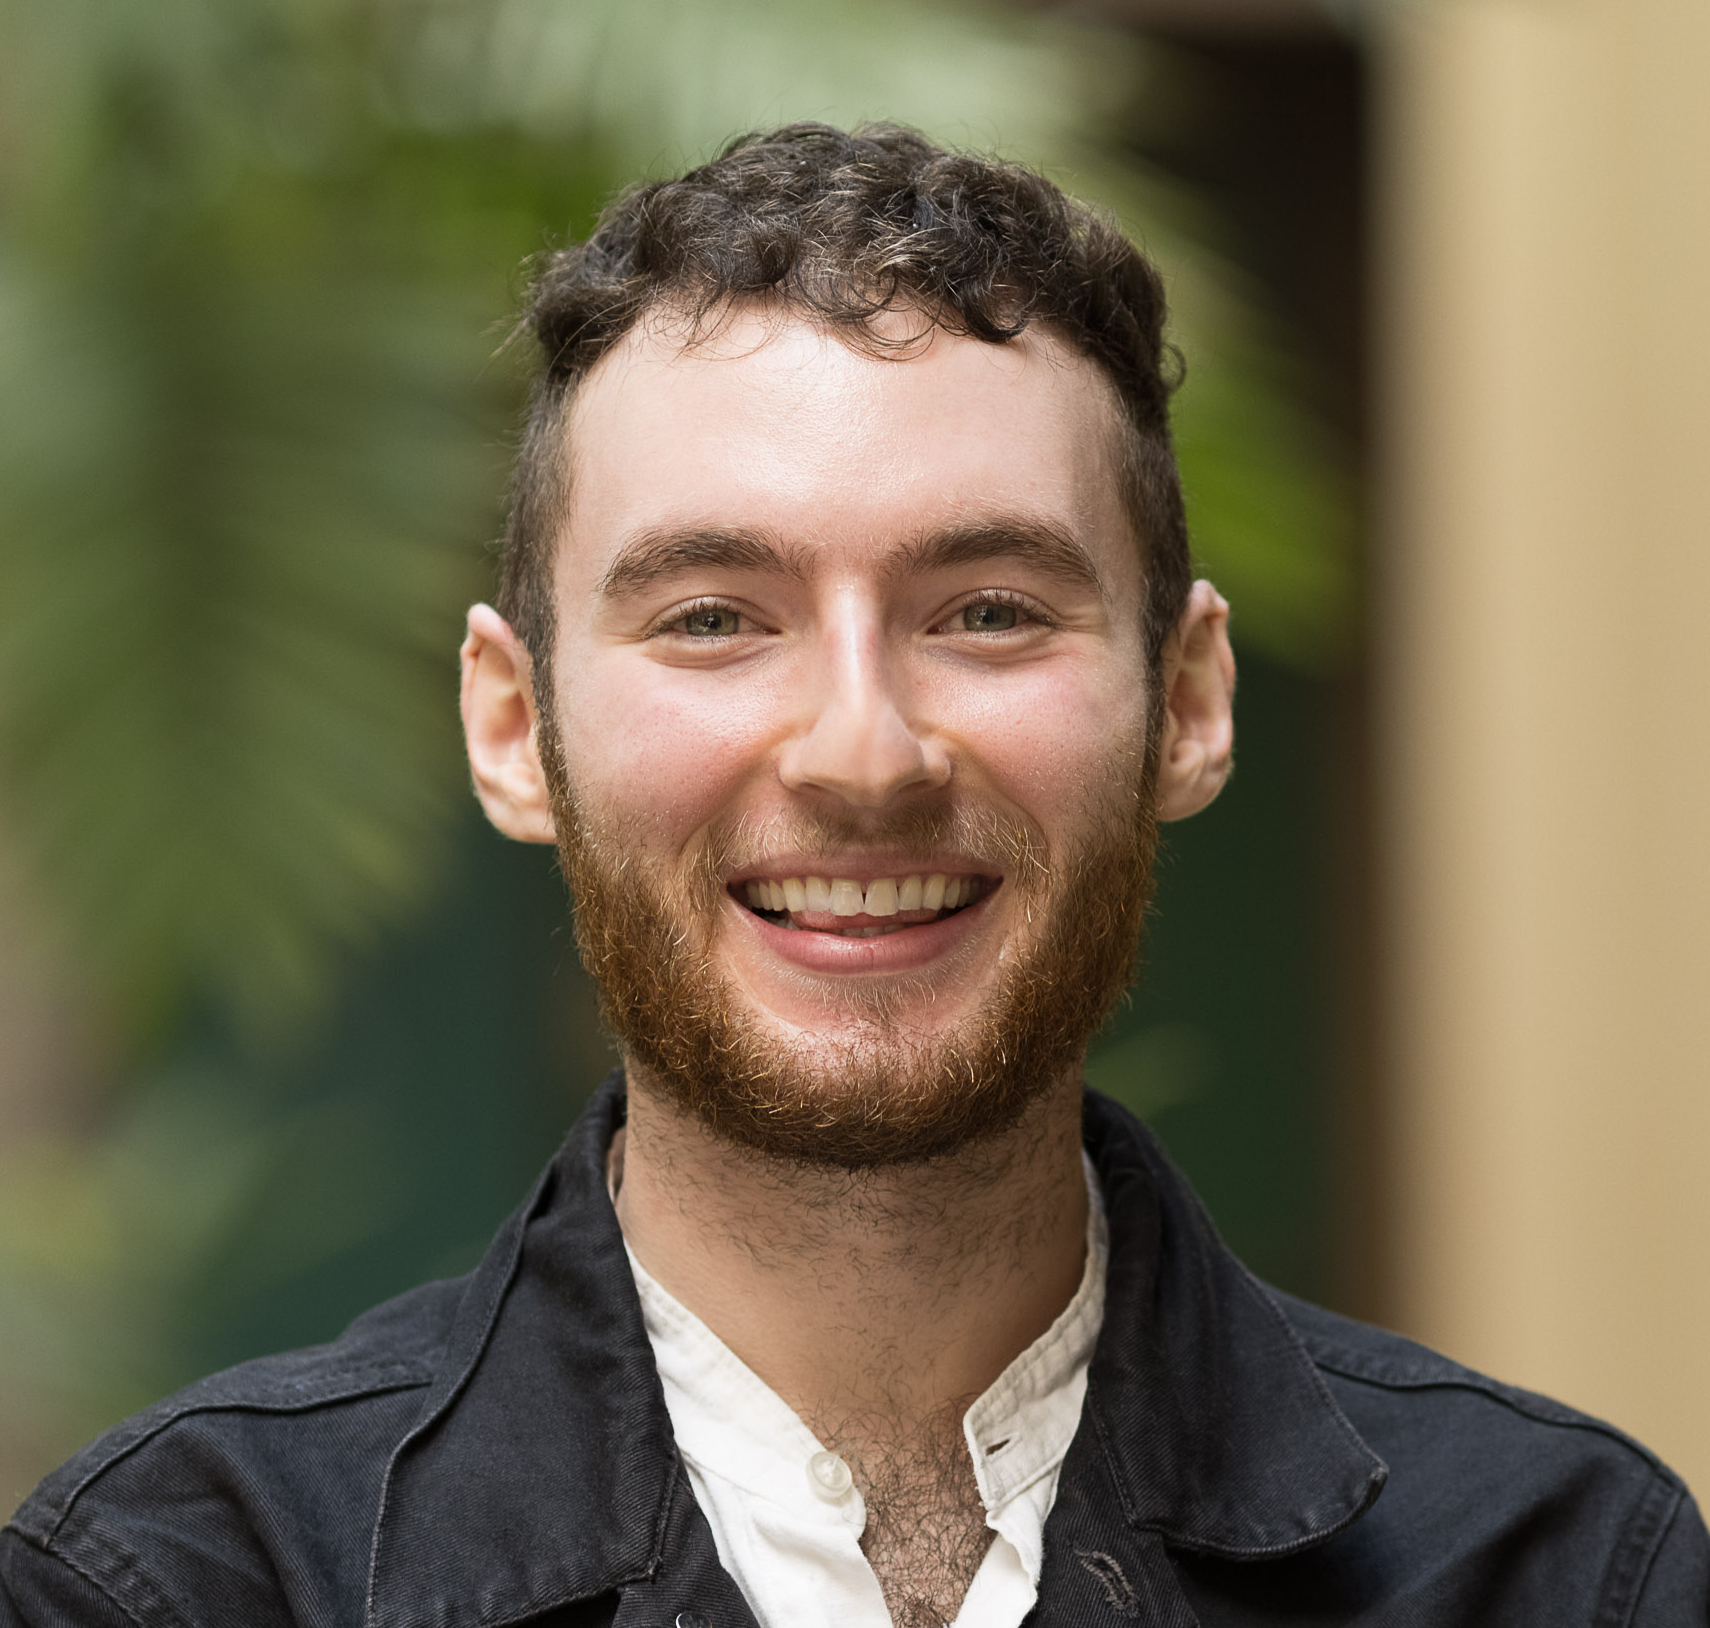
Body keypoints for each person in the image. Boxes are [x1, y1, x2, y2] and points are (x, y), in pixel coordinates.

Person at [2, 122, 1704, 1628]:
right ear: (516, 728)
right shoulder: (187, 1582)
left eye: (986, 610)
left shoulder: (1552, 1573)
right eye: (713, 619)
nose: (859, 751)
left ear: (1184, 703)